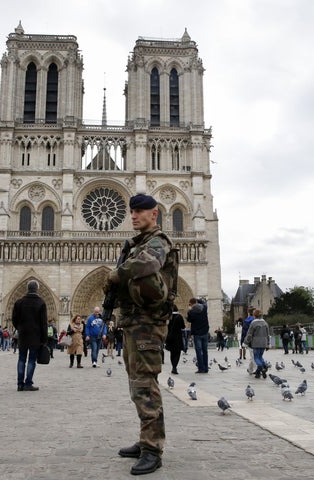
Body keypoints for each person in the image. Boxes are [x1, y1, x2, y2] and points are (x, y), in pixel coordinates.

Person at [104, 193, 175, 476]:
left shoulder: (158, 241)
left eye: (139, 212)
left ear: (154, 214)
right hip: (135, 323)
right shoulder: (138, 243)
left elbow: (148, 265)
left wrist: (116, 274)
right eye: (131, 212)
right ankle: (147, 439)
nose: (133, 216)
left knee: (145, 385)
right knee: (137, 385)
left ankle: (152, 450)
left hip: (148, 324)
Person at [12, 279, 48, 391]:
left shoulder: (19, 302)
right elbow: (43, 323)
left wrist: (20, 328)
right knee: (32, 360)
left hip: (23, 334)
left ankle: (19, 384)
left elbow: (14, 320)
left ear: (27, 288)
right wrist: (44, 338)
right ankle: (28, 384)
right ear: (37, 289)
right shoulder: (41, 303)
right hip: (35, 336)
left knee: (21, 359)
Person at [243, 309, 270, 379]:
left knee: (256, 357)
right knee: (260, 357)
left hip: (256, 343)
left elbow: (249, 334)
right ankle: (261, 369)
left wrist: (245, 343)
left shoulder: (253, 323)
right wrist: (268, 344)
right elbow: (268, 334)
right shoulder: (265, 323)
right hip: (264, 342)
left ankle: (261, 367)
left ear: (254, 315)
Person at [188, 297, 209, 374]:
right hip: (205, 332)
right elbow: (204, 302)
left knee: (198, 351)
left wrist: (190, 309)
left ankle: (201, 368)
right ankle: (206, 368)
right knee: (205, 351)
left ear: (191, 304)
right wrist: (198, 300)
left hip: (197, 334)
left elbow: (189, 320)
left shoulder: (191, 312)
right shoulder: (204, 308)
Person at [165, 305, 185, 375]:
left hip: (170, 337)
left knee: (172, 353)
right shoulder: (179, 317)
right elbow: (183, 326)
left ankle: (173, 366)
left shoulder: (168, 317)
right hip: (178, 337)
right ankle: (174, 366)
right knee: (177, 353)